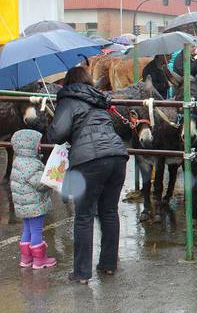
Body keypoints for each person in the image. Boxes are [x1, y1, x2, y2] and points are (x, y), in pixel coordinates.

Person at [46, 67, 129, 285]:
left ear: (68, 82)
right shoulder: (98, 99)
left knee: (84, 216)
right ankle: (108, 265)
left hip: (89, 161)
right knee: (109, 212)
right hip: (117, 157)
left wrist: (53, 119)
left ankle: (82, 273)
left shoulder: (68, 99)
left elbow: (57, 134)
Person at [10, 129, 56, 269]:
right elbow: (40, 184)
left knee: (27, 231)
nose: (40, 146)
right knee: (36, 231)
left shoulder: (17, 161)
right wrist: (51, 180)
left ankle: (26, 258)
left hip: (23, 205)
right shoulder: (33, 164)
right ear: (29, 146)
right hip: (35, 205)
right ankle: (39, 260)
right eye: (38, 144)